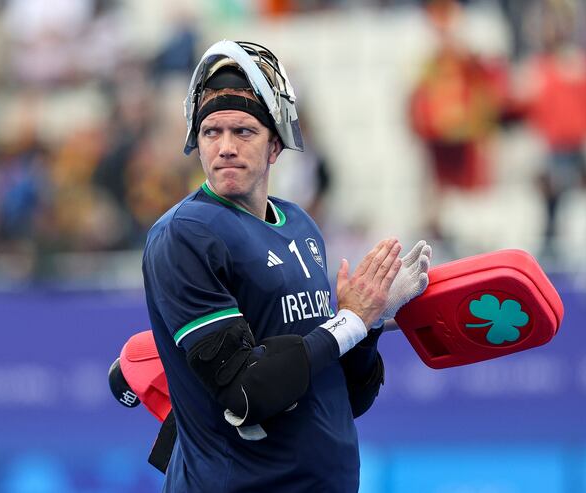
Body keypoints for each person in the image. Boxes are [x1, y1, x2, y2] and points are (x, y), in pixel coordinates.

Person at [141, 40, 431, 492]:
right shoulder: (185, 234)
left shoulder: (302, 227)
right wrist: (352, 321)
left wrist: (369, 325)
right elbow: (247, 392)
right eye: (211, 132)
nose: (226, 147)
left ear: (275, 146)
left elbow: (345, 394)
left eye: (244, 132)